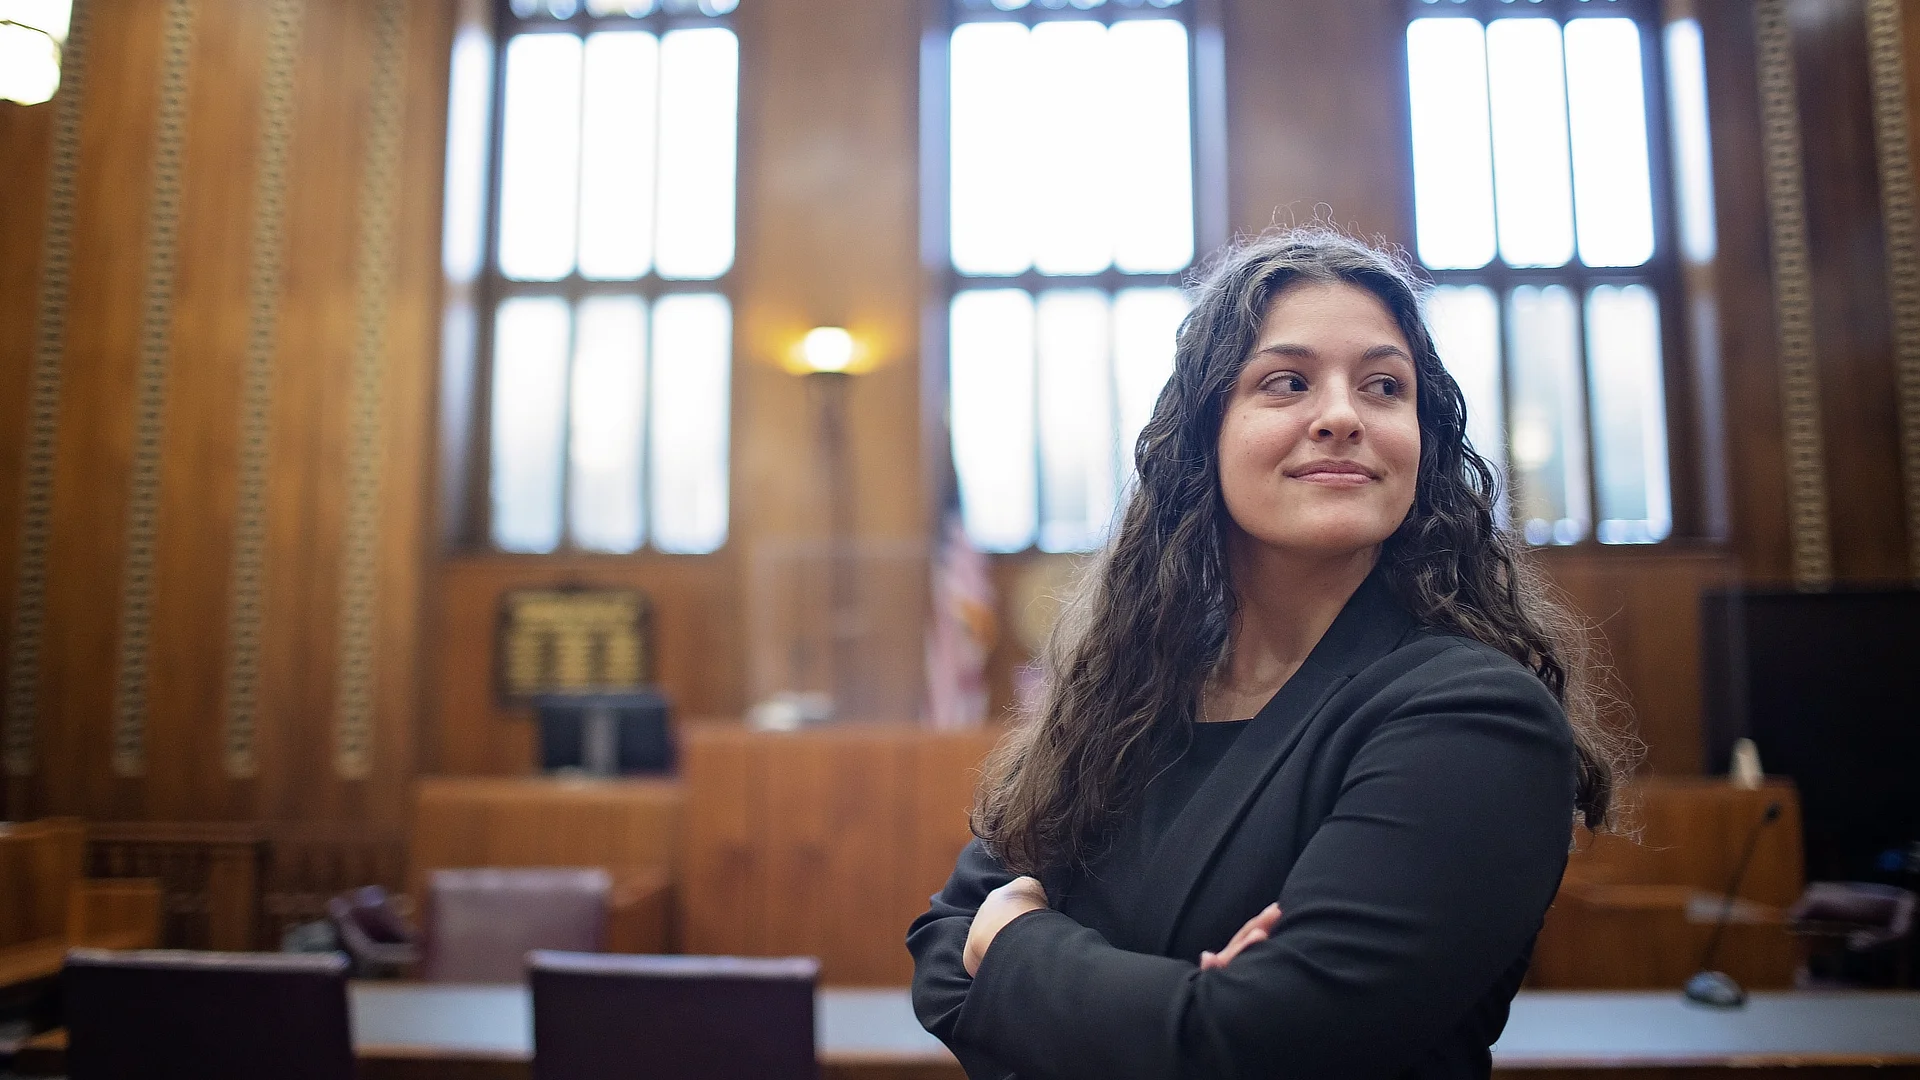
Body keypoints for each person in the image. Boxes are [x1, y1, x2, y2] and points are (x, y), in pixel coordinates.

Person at [906, 228, 1630, 1080]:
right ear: (1205, 434)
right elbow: (943, 955)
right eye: (1286, 382)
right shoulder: (1129, 695)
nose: (1340, 415)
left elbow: (1264, 1049)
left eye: (1384, 386)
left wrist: (1021, 941)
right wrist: (1184, 1003)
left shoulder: (1476, 715)